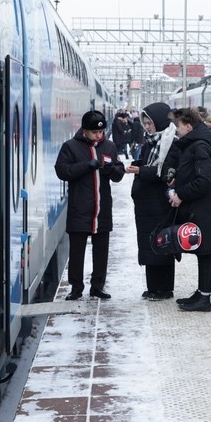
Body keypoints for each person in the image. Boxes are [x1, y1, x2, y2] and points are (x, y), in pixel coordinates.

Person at [54, 109, 125, 300]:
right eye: (95, 132)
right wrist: (85, 165)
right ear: (84, 130)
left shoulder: (109, 146)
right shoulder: (70, 147)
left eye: (101, 132)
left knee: (101, 252)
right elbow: (62, 171)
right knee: (77, 252)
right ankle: (76, 287)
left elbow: (119, 173)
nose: (99, 136)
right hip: (80, 209)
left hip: (102, 210)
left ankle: (98, 286)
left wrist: (113, 170)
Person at [125, 102, 180, 300]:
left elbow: (164, 173)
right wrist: (140, 166)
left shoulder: (170, 143)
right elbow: (152, 165)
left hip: (159, 203)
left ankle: (164, 288)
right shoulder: (151, 141)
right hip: (147, 203)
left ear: (160, 122)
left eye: (150, 123)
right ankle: (153, 287)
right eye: (145, 123)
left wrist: (141, 171)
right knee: (149, 245)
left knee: (162, 244)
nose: (147, 127)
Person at [168, 108, 211, 312]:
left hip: (202, 207)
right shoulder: (193, 145)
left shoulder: (198, 147)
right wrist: (178, 179)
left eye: (178, 126)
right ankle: (201, 292)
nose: (176, 130)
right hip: (197, 206)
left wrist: (182, 194)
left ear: (188, 127)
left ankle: (205, 298)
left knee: (205, 251)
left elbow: (206, 179)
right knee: (201, 250)